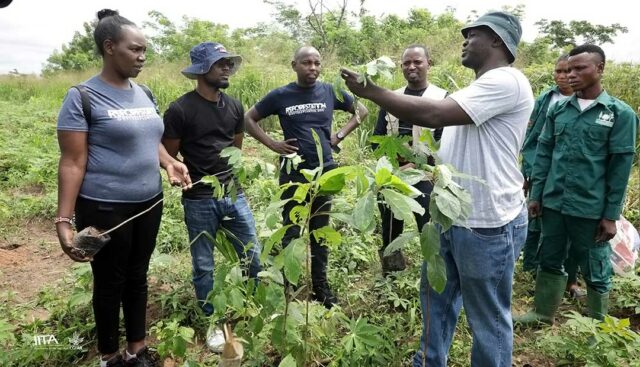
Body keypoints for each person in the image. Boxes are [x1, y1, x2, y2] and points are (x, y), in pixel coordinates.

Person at [341, 11, 533, 367]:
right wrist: (423, 168)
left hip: (486, 223)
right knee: (436, 297)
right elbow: (455, 150)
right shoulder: (474, 89)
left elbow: (432, 116)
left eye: (471, 34)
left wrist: (372, 92)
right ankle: (428, 361)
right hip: (450, 215)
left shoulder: (507, 81)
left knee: (487, 318)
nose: (464, 40)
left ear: (497, 40)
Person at [56, 9, 190, 367]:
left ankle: (136, 349)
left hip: (149, 202)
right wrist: (64, 221)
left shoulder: (143, 92)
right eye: (135, 50)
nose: (142, 57)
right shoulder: (83, 96)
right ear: (109, 47)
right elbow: (72, 162)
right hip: (104, 208)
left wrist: (169, 162)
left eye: (145, 50)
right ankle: (109, 356)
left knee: (138, 275)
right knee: (109, 281)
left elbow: (152, 141)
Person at [516, 44, 638, 326]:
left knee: (595, 264)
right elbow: (544, 153)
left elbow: (620, 169)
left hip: (590, 207)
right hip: (555, 202)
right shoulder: (558, 110)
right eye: (569, 69)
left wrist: (610, 216)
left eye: (579, 68)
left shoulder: (619, 114)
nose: (571, 74)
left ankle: (597, 323)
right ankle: (543, 313)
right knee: (551, 255)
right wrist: (536, 195)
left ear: (600, 69)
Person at [245, 46, 368, 308]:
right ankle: (289, 284)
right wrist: (273, 144)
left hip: (324, 170)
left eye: (316, 63)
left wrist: (339, 136)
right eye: (306, 63)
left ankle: (320, 287)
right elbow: (248, 119)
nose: (312, 68)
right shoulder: (281, 95)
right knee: (291, 228)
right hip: (293, 172)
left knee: (320, 230)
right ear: (294, 65)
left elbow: (362, 111)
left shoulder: (329, 91)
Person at [161, 41, 262, 352]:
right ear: (202, 70)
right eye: (220, 63)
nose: (227, 68)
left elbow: (236, 149)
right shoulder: (180, 109)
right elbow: (168, 152)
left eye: (228, 62)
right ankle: (212, 322)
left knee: (251, 254)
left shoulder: (234, 106)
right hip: (199, 200)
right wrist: (176, 171)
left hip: (234, 194)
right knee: (204, 265)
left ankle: (253, 310)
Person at [371, 44, 448, 275]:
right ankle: (392, 270)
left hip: (426, 174)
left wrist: (420, 164)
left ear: (428, 64)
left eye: (417, 62)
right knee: (391, 223)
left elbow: (446, 142)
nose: (411, 67)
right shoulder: (391, 98)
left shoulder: (442, 98)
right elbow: (378, 138)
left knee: (428, 225)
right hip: (394, 174)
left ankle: (433, 271)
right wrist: (392, 164)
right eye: (406, 63)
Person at [520, 55, 584, 297]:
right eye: (557, 71)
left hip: (573, 180)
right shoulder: (546, 99)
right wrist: (530, 172)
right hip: (541, 170)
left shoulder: (589, 104)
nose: (561, 76)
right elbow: (533, 140)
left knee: (569, 230)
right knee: (538, 221)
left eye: (567, 71)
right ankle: (535, 270)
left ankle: (570, 278)